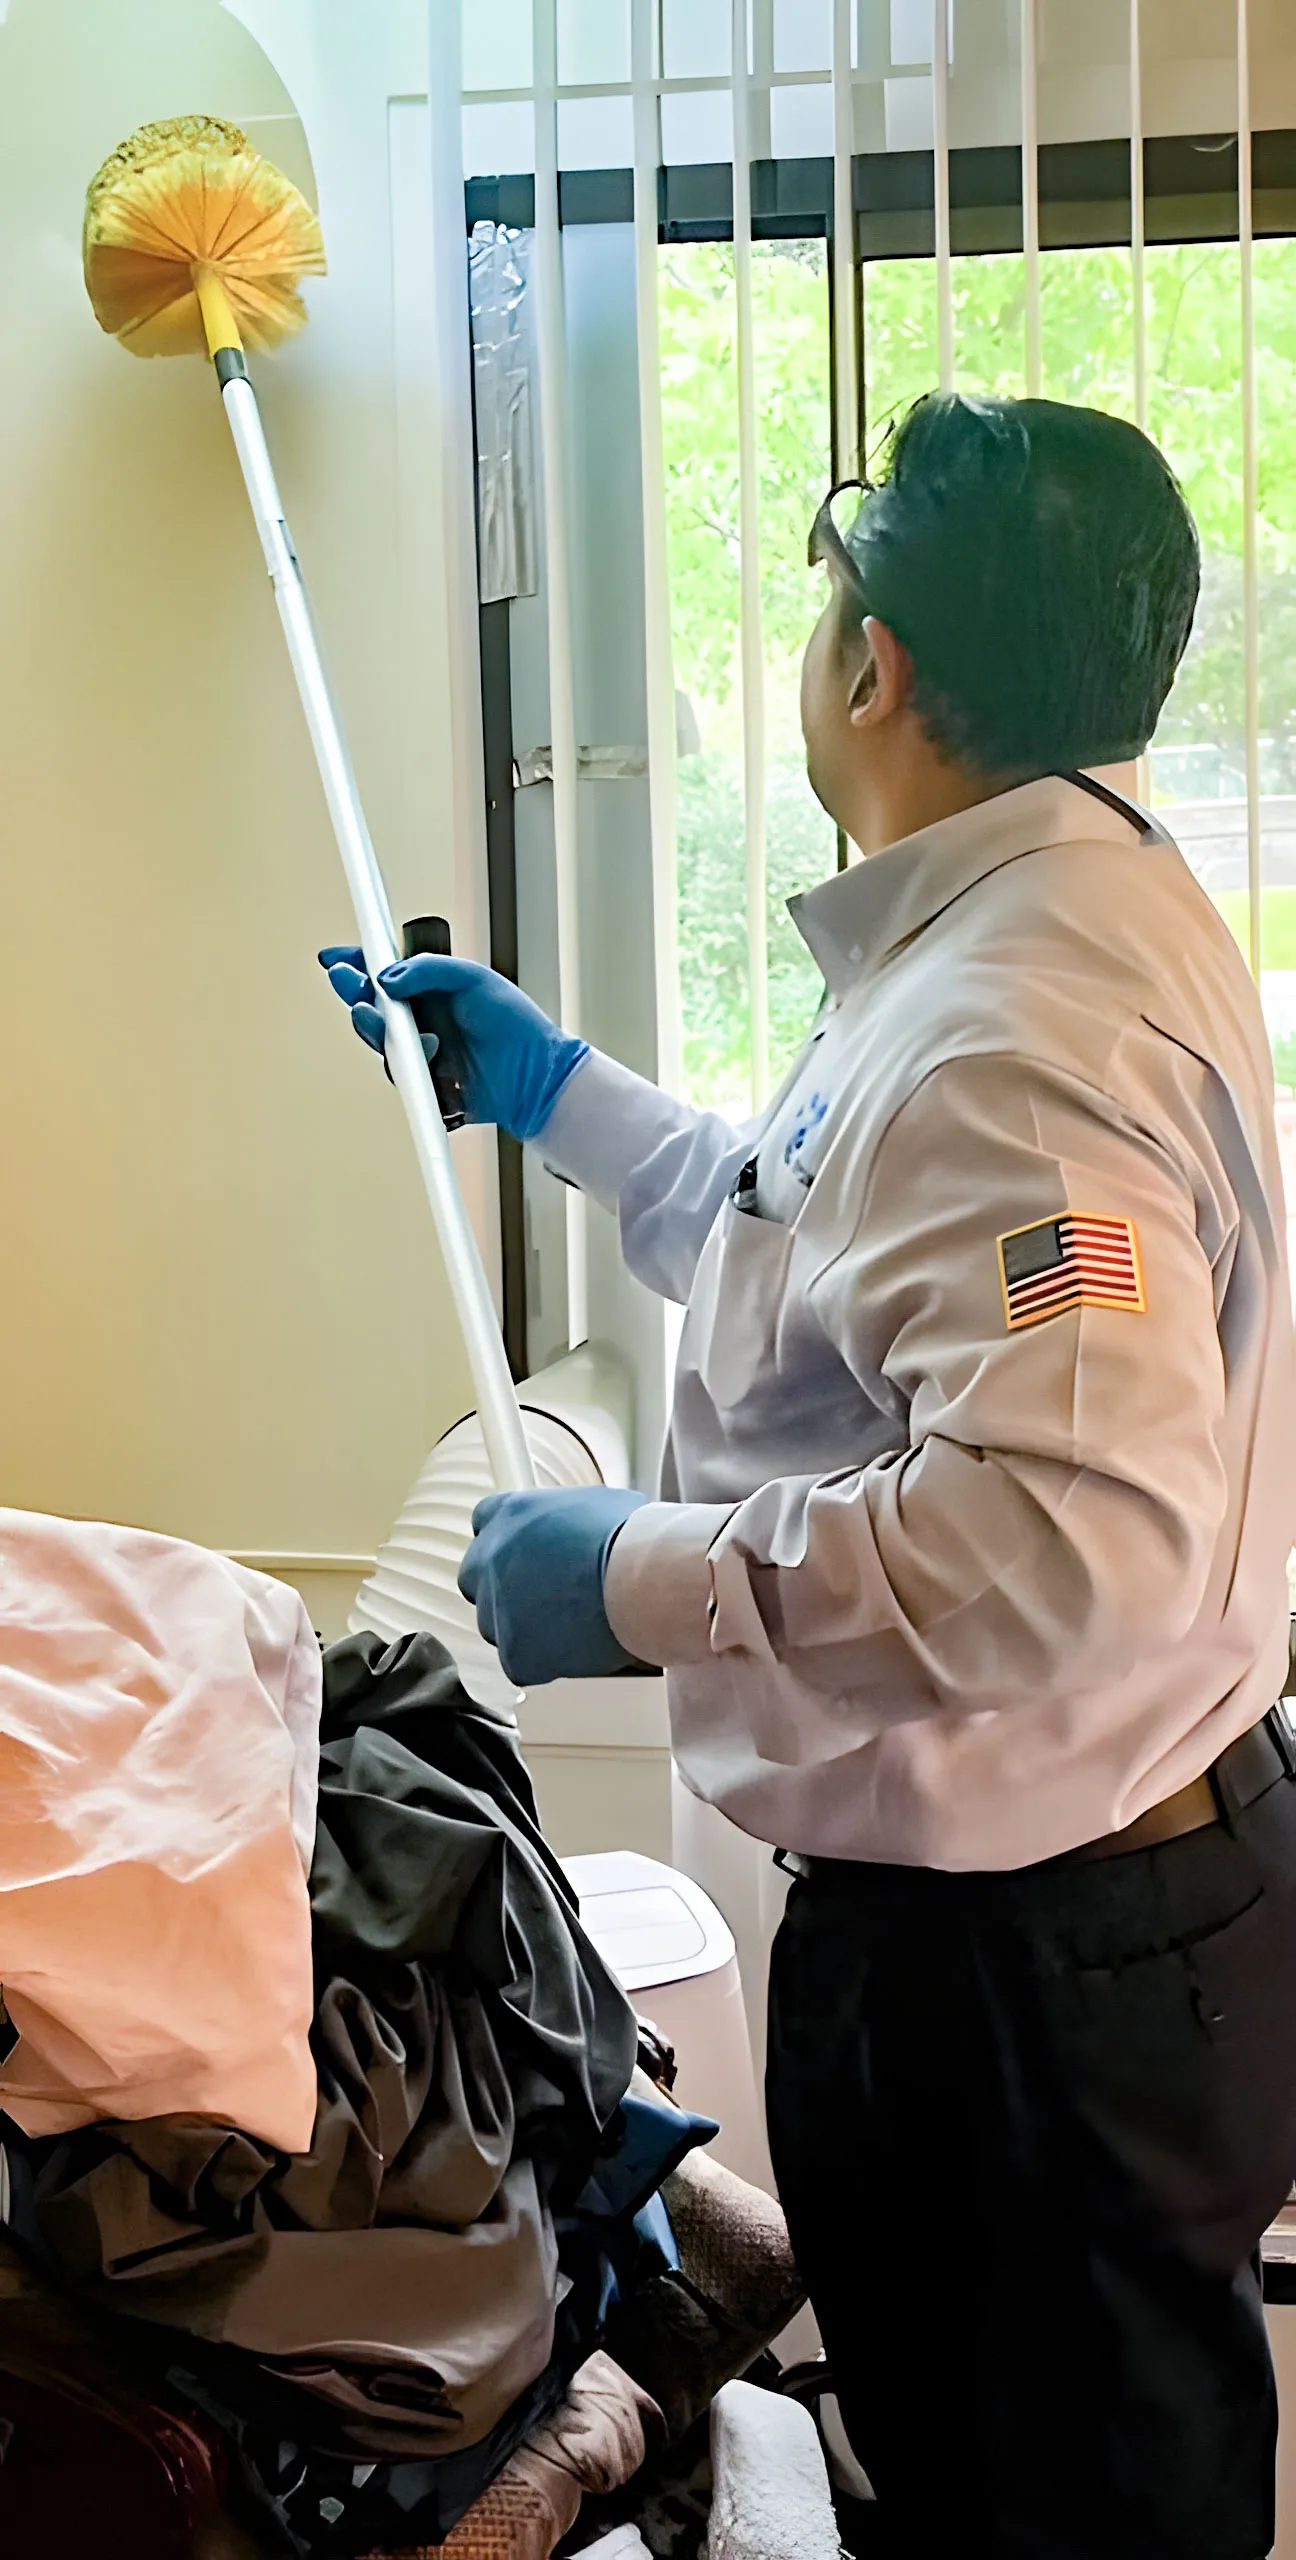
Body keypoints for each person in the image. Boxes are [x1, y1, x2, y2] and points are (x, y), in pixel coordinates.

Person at [322, 392, 1296, 2560]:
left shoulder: (1021, 1025)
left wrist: (642, 1574)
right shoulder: (1017, 928)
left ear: (876, 663)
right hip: (1057, 1941)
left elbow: (1065, 1551)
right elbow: (821, 1235)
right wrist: (554, 1088)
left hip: (1041, 1990)